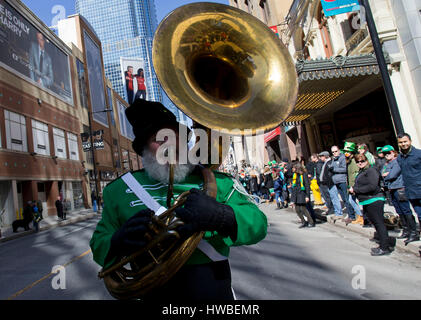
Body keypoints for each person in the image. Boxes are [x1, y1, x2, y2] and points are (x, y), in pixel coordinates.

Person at [89, 99, 267, 300]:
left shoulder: (218, 181)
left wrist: (221, 215)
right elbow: (98, 242)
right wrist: (116, 242)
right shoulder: (120, 190)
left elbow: (259, 224)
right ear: (144, 149)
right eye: (159, 139)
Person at [349, 154, 396, 256]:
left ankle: (385, 247)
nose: (360, 163)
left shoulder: (371, 170)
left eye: (362, 161)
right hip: (367, 200)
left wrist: (355, 189)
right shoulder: (363, 171)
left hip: (374, 199)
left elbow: (372, 186)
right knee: (376, 223)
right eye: (357, 162)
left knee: (379, 223)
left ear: (367, 160)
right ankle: (384, 244)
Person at [382, 145, 418, 244]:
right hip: (391, 189)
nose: (387, 155)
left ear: (393, 152)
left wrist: (387, 175)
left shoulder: (397, 161)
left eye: (389, 153)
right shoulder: (386, 164)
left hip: (399, 188)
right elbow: (383, 173)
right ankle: (406, 230)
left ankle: (414, 232)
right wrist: (386, 174)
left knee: (406, 210)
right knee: (399, 211)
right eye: (385, 154)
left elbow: (393, 174)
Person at [397, 133, 421, 245]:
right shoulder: (400, 157)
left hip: (419, 189)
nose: (403, 144)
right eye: (401, 142)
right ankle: (416, 234)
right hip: (411, 192)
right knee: (419, 214)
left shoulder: (418, 154)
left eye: (405, 141)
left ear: (410, 141)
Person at [330, 145, 356, 222]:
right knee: (344, 200)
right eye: (333, 152)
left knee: (347, 199)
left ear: (339, 151)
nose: (334, 153)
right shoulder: (334, 159)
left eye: (336, 151)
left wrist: (334, 169)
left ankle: (352, 215)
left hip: (343, 181)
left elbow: (344, 169)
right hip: (337, 181)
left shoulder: (342, 158)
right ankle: (349, 214)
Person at [342, 142, 364, 225]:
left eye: (348, 152)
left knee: (353, 201)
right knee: (352, 201)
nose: (346, 153)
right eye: (345, 152)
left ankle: (361, 216)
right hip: (350, 185)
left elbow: (356, 174)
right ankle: (360, 216)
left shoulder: (354, 161)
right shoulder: (349, 161)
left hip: (355, 185)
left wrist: (354, 186)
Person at [290, 163, 315, 228]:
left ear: (297, 168)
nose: (292, 169)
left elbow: (307, 186)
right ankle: (303, 221)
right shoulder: (295, 175)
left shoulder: (303, 175)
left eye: (294, 168)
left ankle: (311, 222)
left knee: (303, 209)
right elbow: (294, 187)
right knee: (297, 210)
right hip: (296, 194)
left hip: (302, 193)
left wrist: (307, 196)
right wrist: (292, 199)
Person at [317, 151, 337, 216]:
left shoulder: (328, 163)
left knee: (329, 196)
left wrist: (325, 180)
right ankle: (330, 208)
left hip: (326, 183)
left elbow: (329, 173)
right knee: (326, 196)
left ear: (325, 156)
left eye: (321, 156)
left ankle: (332, 209)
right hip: (323, 182)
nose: (320, 157)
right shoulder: (324, 163)